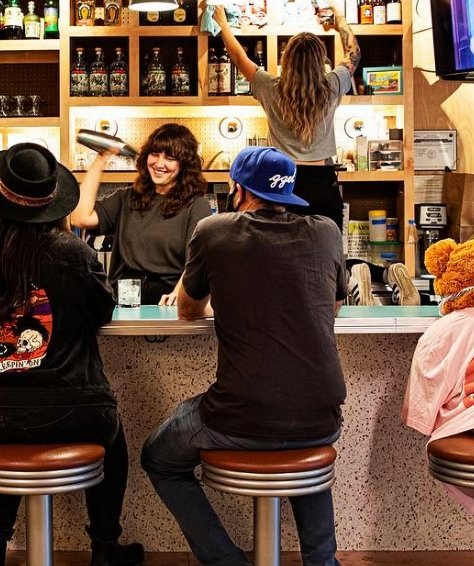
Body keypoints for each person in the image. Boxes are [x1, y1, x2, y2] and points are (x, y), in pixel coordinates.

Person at [0, 143, 143, 566]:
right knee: (111, 436)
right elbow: (101, 312)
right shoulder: (74, 254)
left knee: (8, 416)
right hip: (70, 412)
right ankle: (105, 548)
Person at [141, 147, 347, 566]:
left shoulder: (213, 230)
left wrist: (230, 300)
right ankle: (322, 561)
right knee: (302, 447)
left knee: (158, 457)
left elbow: (187, 310)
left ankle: (225, 561)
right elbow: (333, 306)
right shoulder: (327, 231)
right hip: (322, 416)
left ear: (238, 189)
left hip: (241, 414)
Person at [212, 0, 358, 231]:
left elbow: (239, 59)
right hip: (322, 180)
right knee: (327, 252)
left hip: (281, 180)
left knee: (280, 249)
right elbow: (355, 54)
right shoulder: (334, 83)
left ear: (285, 60)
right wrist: (339, 19)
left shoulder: (270, 87)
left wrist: (222, 24)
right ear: (321, 62)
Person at [70, 123, 211, 306]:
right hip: (122, 300)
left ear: (184, 164)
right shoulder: (127, 197)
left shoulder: (196, 205)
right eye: (154, 154)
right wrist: (101, 159)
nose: (159, 163)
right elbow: (79, 217)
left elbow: (196, 261)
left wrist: (178, 294)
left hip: (166, 300)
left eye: (169, 158)